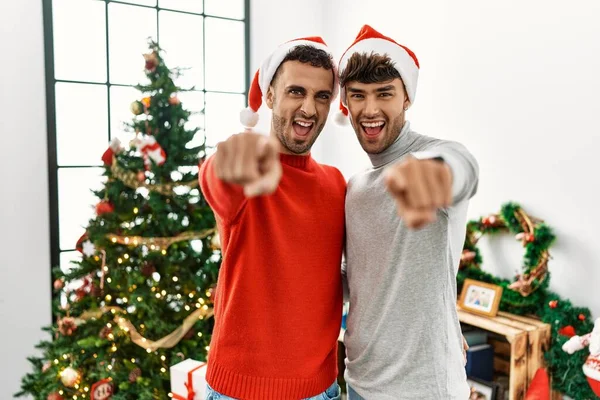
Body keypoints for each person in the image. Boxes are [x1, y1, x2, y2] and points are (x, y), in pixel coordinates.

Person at [336, 25, 479, 399]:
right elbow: (358, 281)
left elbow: (462, 168)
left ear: (406, 99)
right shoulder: (355, 188)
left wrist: (435, 175)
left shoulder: (436, 154)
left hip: (424, 388)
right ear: (345, 104)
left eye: (384, 94)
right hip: (359, 381)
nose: (370, 109)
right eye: (358, 96)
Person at [199, 36, 345, 400]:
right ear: (269, 97)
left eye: (322, 96)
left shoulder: (336, 184)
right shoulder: (249, 175)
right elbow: (215, 176)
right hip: (240, 391)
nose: (309, 109)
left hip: (321, 389)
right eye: (296, 91)